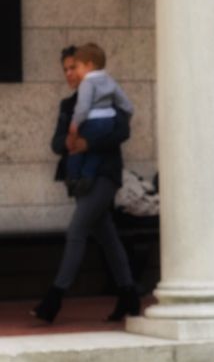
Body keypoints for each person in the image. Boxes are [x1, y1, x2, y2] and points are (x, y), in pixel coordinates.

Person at [31, 45, 141, 324]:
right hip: (79, 178)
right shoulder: (69, 106)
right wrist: (70, 145)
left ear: (86, 67)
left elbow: (122, 131)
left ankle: (53, 300)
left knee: (77, 229)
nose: (70, 74)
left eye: (73, 67)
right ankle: (129, 294)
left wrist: (88, 142)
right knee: (107, 236)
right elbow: (57, 143)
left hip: (104, 175)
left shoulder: (106, 96)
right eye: (66, 70)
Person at [64, 43, 136, 197]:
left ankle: (74, 177)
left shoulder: (87, 82)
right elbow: (127, 106)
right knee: (94, 153)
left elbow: (83, 108)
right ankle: (88, 176)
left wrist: (74, 125)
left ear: (89, 65)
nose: (76, 72)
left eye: (77, 67)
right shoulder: (109, 80)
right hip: (108, 123)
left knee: (76, 149)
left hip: (92, 121)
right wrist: (125, 119)